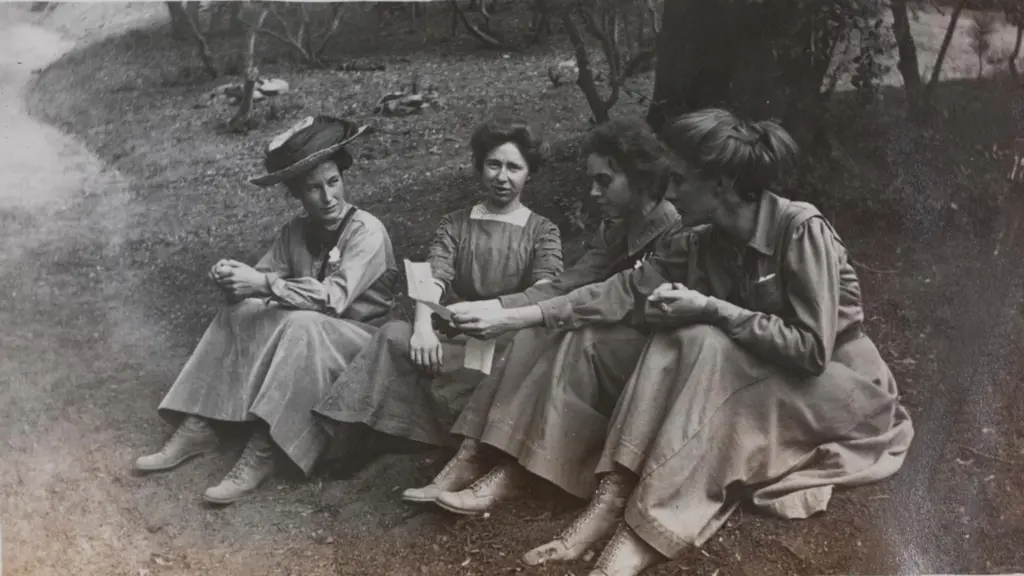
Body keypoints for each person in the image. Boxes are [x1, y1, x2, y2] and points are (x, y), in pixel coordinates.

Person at [522, 108, 915, 576]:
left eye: (681, 181)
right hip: (768, 381)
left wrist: (716, 310)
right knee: (682, 332)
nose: (669, 194)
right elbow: (624, 290)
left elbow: (812, 351)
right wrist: (523, 314)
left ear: (722, 184)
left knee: (702, 334)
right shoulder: (703, 241)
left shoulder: (799, 228)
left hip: (842, 391)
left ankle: (641, 531)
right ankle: (610, 500)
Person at [402, 117, 688, 511]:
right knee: (537, 331)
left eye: (604, 181)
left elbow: (613, 294)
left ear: (639, 179)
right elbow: (570, 281)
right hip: (610, 344)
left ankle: (513, 470)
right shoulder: (619, 227)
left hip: (655, 357)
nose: (592, 191)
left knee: (561, 333)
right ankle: (472, 455)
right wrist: (499, 306)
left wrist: (523, 315)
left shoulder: (676, 232)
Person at [134, 115, 399, 505]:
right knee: (239, 314)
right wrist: (232, 280)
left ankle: (266, 449)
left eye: (333, 182)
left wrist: (264, 285)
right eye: (313, 189)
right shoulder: (294, 233)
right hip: (313, 338)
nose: (328, 197)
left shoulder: (366, 230)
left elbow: (331, 299)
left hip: (364, 345)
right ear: (295, 194)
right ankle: (199, 424)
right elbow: (258, 284)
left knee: (305, 323)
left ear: (343, 178)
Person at [311, 117, 563, 474]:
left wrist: (496, 315)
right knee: (393, 335)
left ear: (529, 173)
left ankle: (442, 437)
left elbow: (544, 291)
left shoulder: (542, 231)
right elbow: (434, 276)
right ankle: (356, 436)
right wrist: (424, 327)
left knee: (500, 365)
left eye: (513, 167)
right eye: (493, 165)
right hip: (454, 332)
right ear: (480, 167)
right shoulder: (456, 223)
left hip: (504, 339)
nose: (502, 177)